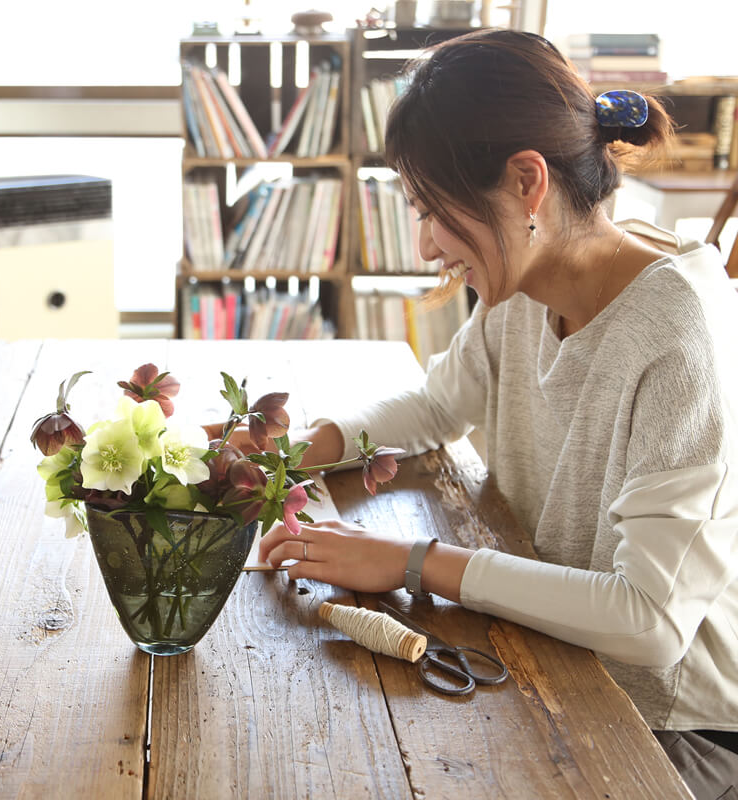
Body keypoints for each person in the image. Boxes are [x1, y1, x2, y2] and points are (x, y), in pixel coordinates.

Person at [241, 30, 737, 798]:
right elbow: (440, 402)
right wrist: (291, 453)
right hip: (556, 652)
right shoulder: (528, 283)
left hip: (670, 724)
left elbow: (649, 622)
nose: (427, 244)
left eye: (433, 210)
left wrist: (412, 563)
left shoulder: (680, 333)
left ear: (526, 182)